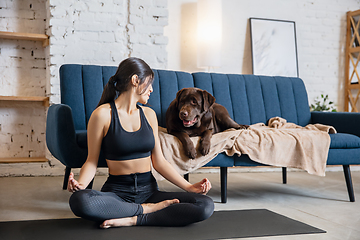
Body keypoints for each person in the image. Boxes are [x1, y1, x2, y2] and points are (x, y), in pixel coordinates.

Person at [67, 57, 214, 228]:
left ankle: (133, 218)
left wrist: (189, 187)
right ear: (135, 80)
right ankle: (144, 210)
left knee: (205, 205)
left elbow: (159, 162)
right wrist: (81, 185)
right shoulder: (102, 115)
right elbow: (91, 160)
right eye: (149, 83)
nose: (151, 89)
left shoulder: (149, 115)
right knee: (80, 201)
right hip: (117, 193)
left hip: (149, 191)